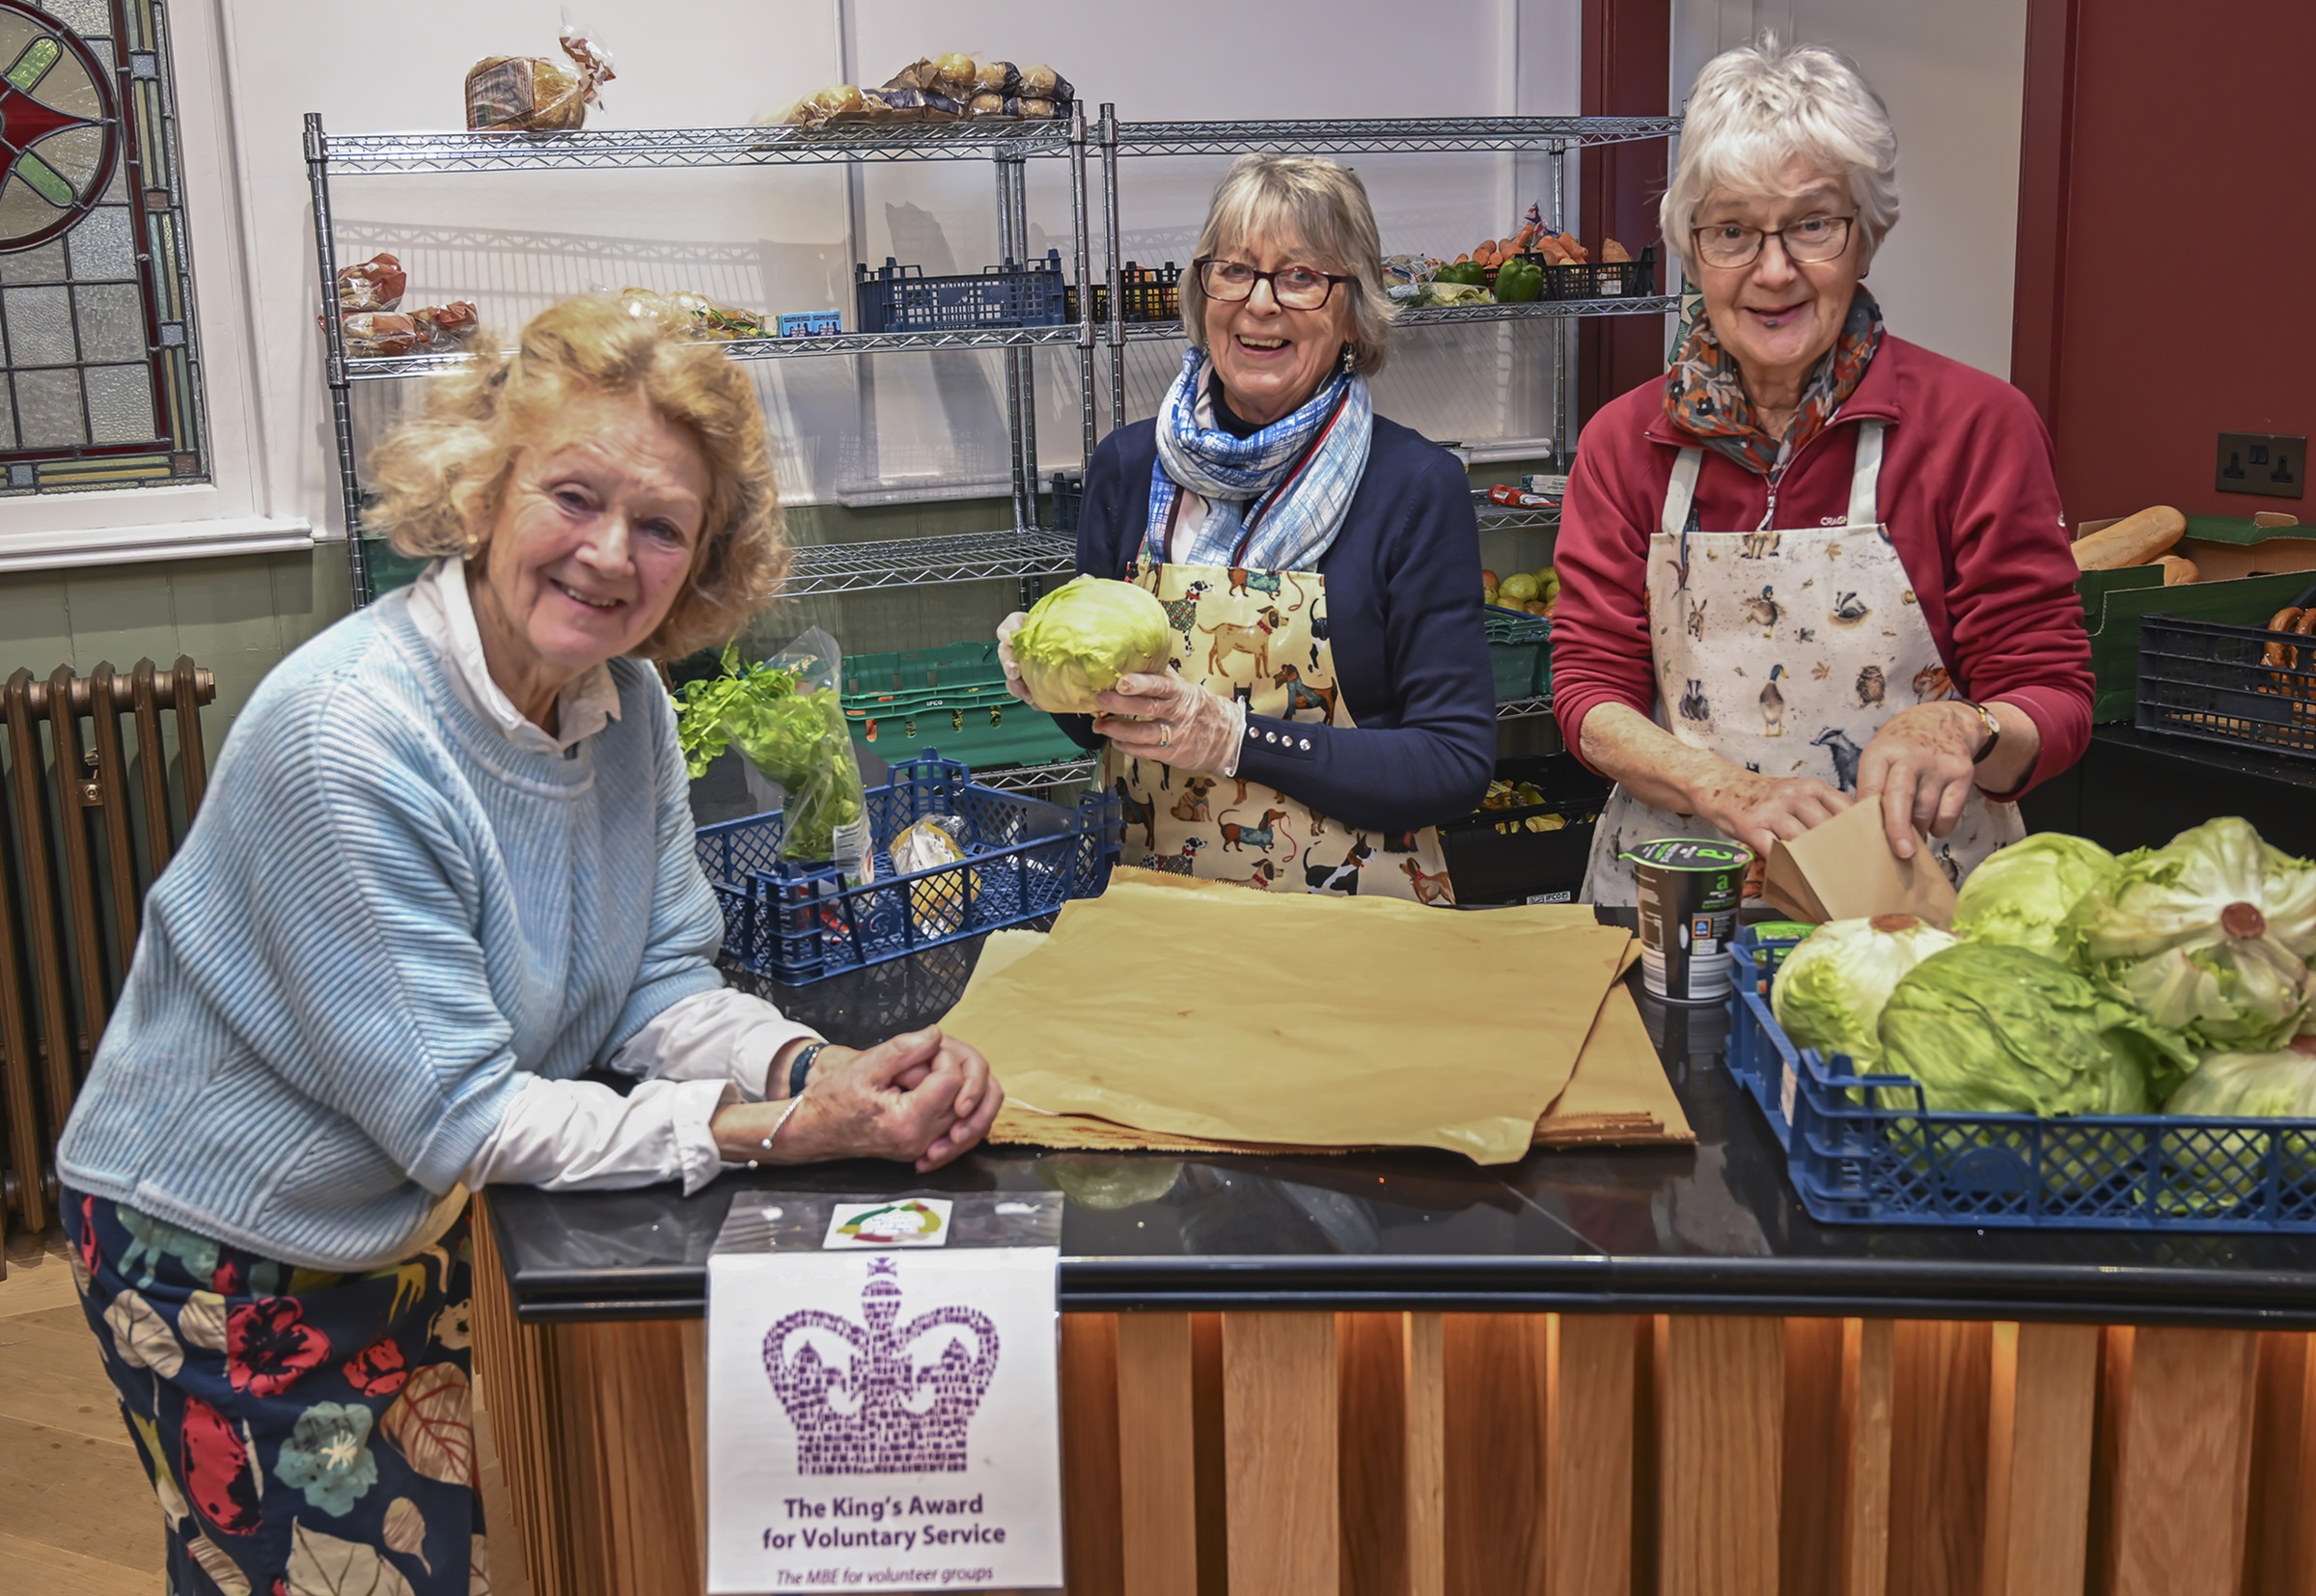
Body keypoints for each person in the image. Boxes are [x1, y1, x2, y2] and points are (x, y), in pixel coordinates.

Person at [53, 296, 1003, 1595]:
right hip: (224, 1244)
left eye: (661, 525)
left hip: (411, 1219)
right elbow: (460, 1117)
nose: (611, 553)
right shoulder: (350, 738)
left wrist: (811, 1065)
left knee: (460, 1551)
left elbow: (659, 983)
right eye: (573, 495)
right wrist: (782, 1130)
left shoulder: (628, 708)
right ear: (484, 488)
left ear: (702, 561)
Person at [1550, 40, 2092, 902]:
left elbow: (2051, 692)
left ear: (1866, 237)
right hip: (1680, 892)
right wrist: (1725, 789)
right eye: (1732, 230)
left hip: (1908, 899)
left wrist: (1966, 724)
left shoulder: (1977, 427)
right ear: (1691, 252)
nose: (1773, 271)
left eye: (1812, 224)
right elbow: (1589, 693)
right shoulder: (1627, 440)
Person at [1001, 154, 1495, 900]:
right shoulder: (1128, 470)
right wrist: (1055, 684)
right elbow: (1103, 731)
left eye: (1301, 276)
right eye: (1234, 270)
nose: (1260, 303)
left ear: (1354, 311)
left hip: (1359, 928)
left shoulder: (1414, 487)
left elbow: (1454, 763)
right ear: (1204, 294)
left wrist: (1237, 740)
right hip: (1157, 914)